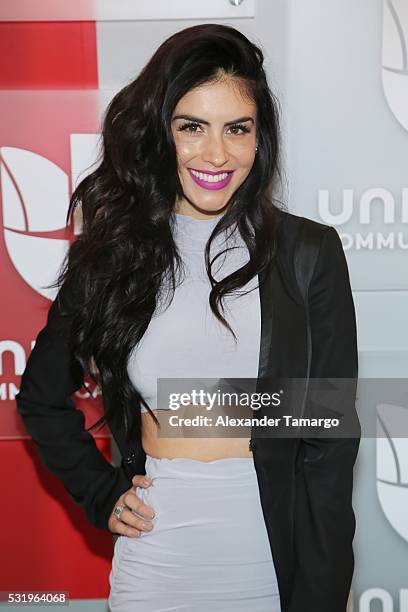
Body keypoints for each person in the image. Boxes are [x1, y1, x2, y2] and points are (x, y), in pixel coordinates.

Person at [15, 24, 360, 612]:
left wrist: (323, 591)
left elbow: (328, 441)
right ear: (161, 133)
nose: (217, 154)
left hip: (273, 550)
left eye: (237, 129)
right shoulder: (114, 255)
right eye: (192, 127)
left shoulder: (309, 253)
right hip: (158, 550)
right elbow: (41, 398)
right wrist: (102, 493)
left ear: (260, 139)